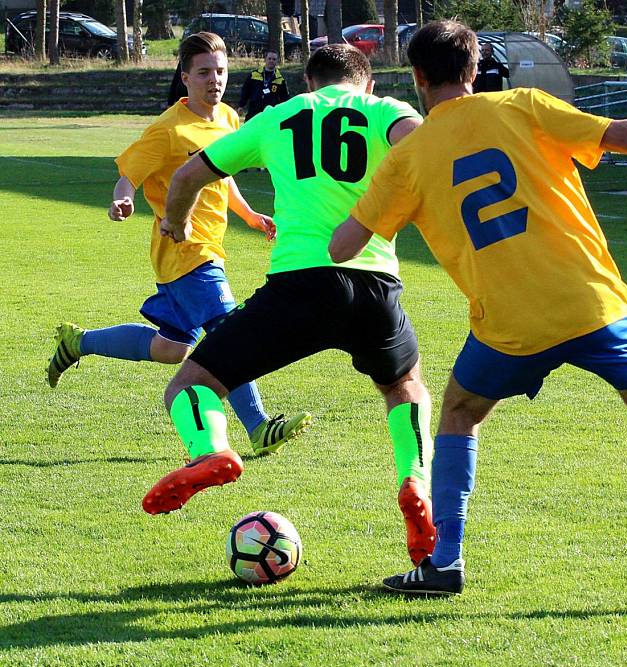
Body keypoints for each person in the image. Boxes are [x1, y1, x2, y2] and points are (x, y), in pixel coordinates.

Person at [329, 19, 627, 605]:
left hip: (509, 326)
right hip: (591, 303)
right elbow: (622, 135)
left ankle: (446, 560)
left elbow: (343, 246)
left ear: (417, 78)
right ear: (476, 66)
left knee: (459, 410)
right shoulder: (525, 106)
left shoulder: (407, 159)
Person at [144, 44, 437, 567]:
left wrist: (176, 222)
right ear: (366, 83)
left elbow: (190, 176)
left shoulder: (279, 116)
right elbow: (421, 144)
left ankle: (211, 451)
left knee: (191, 385)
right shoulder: (384, 109)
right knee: (404, 386)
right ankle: (414, 479)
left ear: (309, 82)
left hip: (297, 286)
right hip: (373, 284)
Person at [47, 31, 311, 461]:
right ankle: (259, 426)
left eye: (221, 71)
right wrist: (123, 197)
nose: (215, 80)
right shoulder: (168, 129)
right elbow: (129, 173)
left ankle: (79, 342)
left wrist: (248, 215)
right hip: (184, 247)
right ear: (185, 76)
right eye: (204, 72)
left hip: (202, 249)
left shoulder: (228, 117)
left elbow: (222, 176)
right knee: (229, 332)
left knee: (171, 348)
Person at [237, 50, 290, 121]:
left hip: (270, 114)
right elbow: (245, 91)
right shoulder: (254, 75)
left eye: (274, 59)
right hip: (253, 112)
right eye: (269, 58)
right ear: (265, 59)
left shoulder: (280, 80)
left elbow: (285, 98)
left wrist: (284, 112)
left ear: (277, 61)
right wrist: (241, 105)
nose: (271, 61)